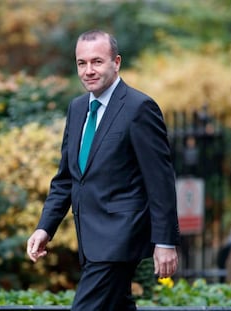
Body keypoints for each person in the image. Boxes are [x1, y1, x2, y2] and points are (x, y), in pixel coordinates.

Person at [27, 29, 180, 311]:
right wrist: (45, 227)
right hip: (89, 238)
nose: (88, 71)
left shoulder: (139, 108)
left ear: (116, 62)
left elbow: (160, 181)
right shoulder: (77, 109)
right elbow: (67, 179)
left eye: (97, 62)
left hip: (120, 239)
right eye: (81, 63)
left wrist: (166, 241)